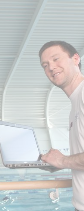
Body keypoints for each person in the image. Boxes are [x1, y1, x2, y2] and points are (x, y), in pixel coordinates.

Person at [39, 41, 84, 211]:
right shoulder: (75, 105)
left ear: (75, 59)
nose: (51, 67)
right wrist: (59, 162)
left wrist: (63, 160)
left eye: (56, 59)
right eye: (45, 65)